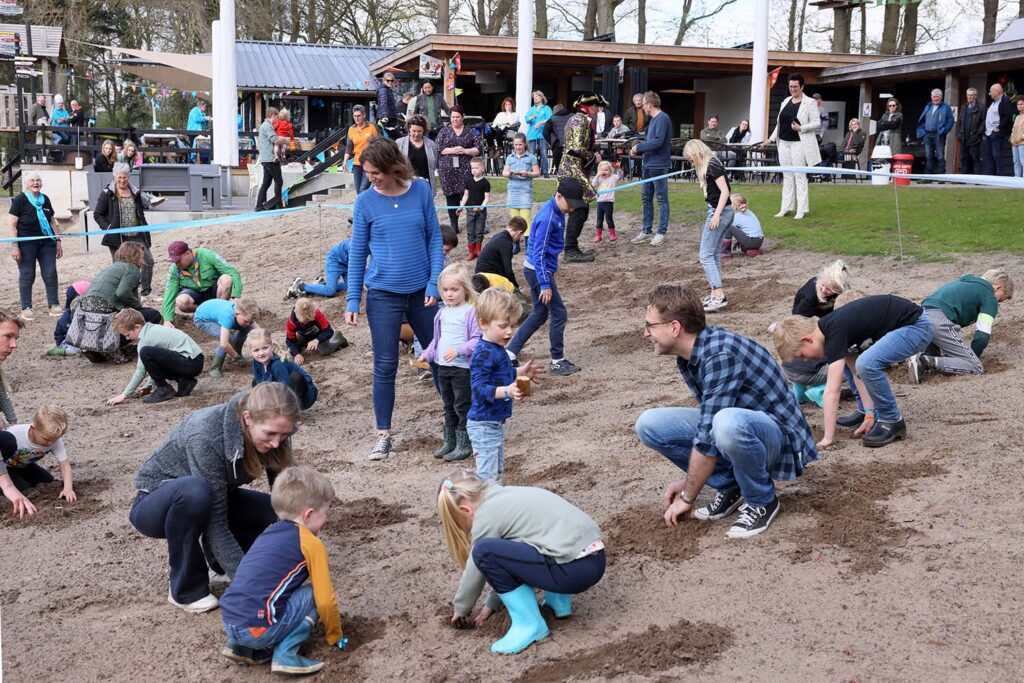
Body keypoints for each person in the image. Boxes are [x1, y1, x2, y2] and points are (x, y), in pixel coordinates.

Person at [636, 284, 818, 538]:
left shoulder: (719, 353)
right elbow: (706, 430)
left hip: (781, 442)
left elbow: (710, 433)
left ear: (675, 327)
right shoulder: (691, 356)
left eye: (650, 326)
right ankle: (731, 485)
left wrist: (689, 495)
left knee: (724, 422)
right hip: (745, 429)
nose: (646, 333)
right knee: (649, 424)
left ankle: (761, 501)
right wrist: (692, 480)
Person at [129, 384, 298, 612]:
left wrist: (298, 544)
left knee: (274, 516)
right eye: (270, 434)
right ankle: (185, 589)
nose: (276, 443)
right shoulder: (206, 435)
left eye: (284, 435)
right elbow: (215, 522)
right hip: (157, 505)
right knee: (194, 492)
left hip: (213, 498)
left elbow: (284, 494)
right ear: (248, 418)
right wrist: (249, 585)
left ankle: (219, 568)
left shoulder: (275, 428)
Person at [345, 137, 444, 461]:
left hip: (422, 294)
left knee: (442, 356)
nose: (369, 177)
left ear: (391, 166)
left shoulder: (421, 191)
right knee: (385, 365)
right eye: (367, 172)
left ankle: (456, 422)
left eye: (374, 171)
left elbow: (434, 241)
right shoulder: (365, 203)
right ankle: (383, 434)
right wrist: (352, 300)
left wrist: (433, 284)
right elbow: (358, 253)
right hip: (383, 295)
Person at [438, 470, 605, 654]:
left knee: (482, 551)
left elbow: (475, 569)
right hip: (594, 557)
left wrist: (461, 608)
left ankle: (529, 624)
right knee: (532, 540)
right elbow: (513, 560)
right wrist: (492, 603)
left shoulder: (486, 515)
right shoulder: (508, 495)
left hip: (573, 572)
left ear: (465, 511)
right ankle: (558, 600)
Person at [220, 466, 344, 674]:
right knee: (313, 594)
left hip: (231, 622)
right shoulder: (311, 544)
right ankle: (286, 654)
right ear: (309, 514)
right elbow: (325, 599)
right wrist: (335, 636)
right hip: (259, 630)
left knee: (266, 590)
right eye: (325, 512)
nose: (327, 519)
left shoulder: (269, 532)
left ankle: (239, 647)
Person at [773, 294, 935, 448]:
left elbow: (832, 391)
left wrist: (828, 438)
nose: (806, 360)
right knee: (862, 366)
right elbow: (857, 374)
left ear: (807, 340)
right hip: (912, 325)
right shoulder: (832, 329)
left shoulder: (834, 332)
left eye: (802, 355)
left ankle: (892, 420)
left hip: (917, 327)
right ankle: (875, 415)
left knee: (867, 363)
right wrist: (869, 414)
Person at [505, 178, 587, 377]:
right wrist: (544, 284)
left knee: (540, 314)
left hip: (536, 270)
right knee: (559, 314)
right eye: (570, 204)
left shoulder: (557, 211)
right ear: (559, 196)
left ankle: (509, 352)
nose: (572, 209)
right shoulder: (548, 217)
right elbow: (539, 253)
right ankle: (557, 361)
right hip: (538, 271)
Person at [467, 289, 543, 481]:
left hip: (494, 423)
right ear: (483, 323)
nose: (509, 332)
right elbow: (479, 388)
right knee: (488, 477)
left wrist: (520, 372)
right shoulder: (483, 352)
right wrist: (507, 391)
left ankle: (494, 506)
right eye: (503, 326)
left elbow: (500, 375)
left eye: (512, 326)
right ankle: (484, 509)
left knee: (496, 473)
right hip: (483, 424)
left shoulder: (497, 348)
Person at [418, 264, 482, 461]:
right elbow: (437, 340)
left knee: (462, 404)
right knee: (448, 404)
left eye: (454, 289)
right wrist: (427, 354)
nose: (449, 294)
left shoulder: (470, 312)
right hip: (444, 367)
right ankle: (450, 440)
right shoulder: (442, 312)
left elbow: (477, 339)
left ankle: (465, 442)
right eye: (445, 290)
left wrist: (459, 350)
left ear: (465, 289)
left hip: (462, 368)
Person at [907, 269, 1013, 383]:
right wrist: (973, 356)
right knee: (975, 366)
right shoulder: (989, 296)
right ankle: (923, 361)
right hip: (939, 321)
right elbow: (982, 336)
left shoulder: (964, 281)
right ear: (999, 287)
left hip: (920, 316)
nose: (998, 302)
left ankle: (921, 358)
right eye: (1001, 299)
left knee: (937, 355)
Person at [107, 309, 204, 405]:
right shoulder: (152, 329)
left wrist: (124, 395)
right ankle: (184, 381)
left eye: (128, 335)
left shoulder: (145, 339)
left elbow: (141, 371)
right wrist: (149, 385)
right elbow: (156, 363)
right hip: (195, 360)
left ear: (137, 327)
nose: (127, 338)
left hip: (190, 362)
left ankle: (163, 389)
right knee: (149, 354)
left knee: (145, 352)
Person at [683, 139, 734, 313]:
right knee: (712, 254)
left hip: (720, 211)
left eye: (690, 159)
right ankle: (715, 293)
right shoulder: (709, 164)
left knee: (705, 255)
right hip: (719, 210)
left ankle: (718, 294)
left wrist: (716, 215)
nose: (690, 162)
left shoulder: (712, 164)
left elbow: (725, 191)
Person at [762, 73, 821, 219]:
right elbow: (779, 124)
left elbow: (817, 122)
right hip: (784, 143)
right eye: (790, 86)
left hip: (800, 144)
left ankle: (801, 209)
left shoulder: (810, 102)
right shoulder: (785, 101)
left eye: (795, 86)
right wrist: (770, 139)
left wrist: (801, 128)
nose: (793, 89)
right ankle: (786, 207)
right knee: (787, 175)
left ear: (801, 86)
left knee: (799, 175)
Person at [94, 162, 156, 295]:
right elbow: (97, 214)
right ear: (114, 176)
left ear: (129, 177)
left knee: (148, 261)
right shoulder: (107, 193)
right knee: (121, 267)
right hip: (117, 238)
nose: (122, 180)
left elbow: (145, 206)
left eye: (125, 177)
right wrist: (108, 228)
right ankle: (121, 292)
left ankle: (145, 289)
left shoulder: (135, 192)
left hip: (137, 235)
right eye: (119, 177)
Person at [558, 93, 607, 263]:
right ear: (590, 106)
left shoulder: (580, 119)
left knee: (582, 210)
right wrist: (594, 156)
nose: (597, 110)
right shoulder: (579, 120)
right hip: (572, 171)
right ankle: (570, 250)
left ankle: (572, 246)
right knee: (579, 209)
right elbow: (576, 148)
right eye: (596, 106)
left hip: (576, 170)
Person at [8, 170, 63, 320]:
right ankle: (26, 307)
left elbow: (52, 221)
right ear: (26, 184)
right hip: (26, 244)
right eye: (32, 180)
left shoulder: (45, 199)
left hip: (47, 243)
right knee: (27, 275)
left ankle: (54, 304)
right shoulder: (19, 200)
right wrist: (14, 246)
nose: (35, 183)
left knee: (50, 273)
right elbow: (12, 225)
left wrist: (58, 240)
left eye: (38, 180)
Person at [1, 405, 75, 501]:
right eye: (46, 439)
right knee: (25, 490)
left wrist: (68, 489)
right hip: (5, 467)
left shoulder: (54, 440)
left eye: (55, 439)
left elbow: (65, 465)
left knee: (49, 482)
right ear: (33, 428)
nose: (50, 443)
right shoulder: (15, 434)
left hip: (24, 465)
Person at [80, 241, 162, 326]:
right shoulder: (132, 268)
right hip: (105, 308)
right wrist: (137, 304)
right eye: (141, 255)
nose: (143, 258)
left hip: (84, 306)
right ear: (136, 255)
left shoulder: (113, 266)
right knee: (154, 315)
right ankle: (130, 337)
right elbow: (122, 292)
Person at [161, 240, 243, 324]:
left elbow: (232, 272)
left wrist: (235, 296)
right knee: (181, 301)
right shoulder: (174, 269)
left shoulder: (207, 255)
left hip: (214, 292)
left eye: (178, 260)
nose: (176, 264)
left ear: (187, 254)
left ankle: (219, 312)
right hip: (195, 296)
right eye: (174, 261)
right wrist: (167, 320)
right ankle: (205, 313)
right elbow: (169, 294)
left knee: (227, 279)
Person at [629, 91, 673, 246]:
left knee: (661, 199)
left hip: (659, 165)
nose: (642, 107)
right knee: (646, 198)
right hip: (648, 164)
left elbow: (658, 142)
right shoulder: (653, 120)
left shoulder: (663, 118)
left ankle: (661, 232)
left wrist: (638, 147)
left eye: (643, 104)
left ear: (649, 104)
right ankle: (647, 231)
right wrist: (640, 150)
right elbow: (651, 142)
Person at [437, 106, 482, 234]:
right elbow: (438, 148)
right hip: (448, 170)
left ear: (462, 117)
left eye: (457, 117)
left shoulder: (470, 132)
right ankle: (454, 225)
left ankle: (472, 222)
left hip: (465, 169)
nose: (455, 119)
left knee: (468, 196)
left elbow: (478, 148)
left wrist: (465, 150)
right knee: (451, 197)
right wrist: (452, 150)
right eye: (453, 117)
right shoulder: (444, 131)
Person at [250, 329, 318, 411]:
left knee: (296, 377)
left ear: (271, 346)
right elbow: (260, 386)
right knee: (256, 383)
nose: (261, 353)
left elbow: (285, 389)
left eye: (265, 348)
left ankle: (290, 412)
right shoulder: (256, 362)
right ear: (251, 352)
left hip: (304, 395)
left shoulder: (278, 364)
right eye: (256, 350)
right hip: (280, 388)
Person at [195, 297, 259, 377]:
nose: (248, 323)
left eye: (250, 321)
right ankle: (215, 367)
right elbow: (224, 343)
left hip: (217, 315)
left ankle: (236, 351)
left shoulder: (245, 314)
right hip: (203, 320)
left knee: (247, 328)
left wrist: (269, 344)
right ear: (236, 314)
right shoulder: (227, 316)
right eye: (246, 321)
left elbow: (259, 331)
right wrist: (237, 358)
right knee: (228, 338)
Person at [285, 297, 347, 365]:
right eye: (303, 321)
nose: (305, 323)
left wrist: (317, 340)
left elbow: (329, 331)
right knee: (290, 350)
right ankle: (304, 348)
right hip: (304, 336)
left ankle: (338, 337)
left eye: (308, 320)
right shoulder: (291, 321)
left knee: (325, 351)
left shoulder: (317, 313)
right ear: (295, 312)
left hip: (320, 335)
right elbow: (289, 340)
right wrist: (296, 354)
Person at [502, 132, 539, 229]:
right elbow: (504, 173)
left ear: (525, 144)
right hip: (513, 191)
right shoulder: (510, 158)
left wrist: (527, 174)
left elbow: (537, 173)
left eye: (520, 144)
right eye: (516, 145)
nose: (518, 147)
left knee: (525, 218)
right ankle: (516, 243)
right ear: (513, 145)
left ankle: (528, 242)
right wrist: (510, 173)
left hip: (525, 191)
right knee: (514, 220)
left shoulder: (532, 158)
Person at [477, 217, 525, 291]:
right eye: (521, 236)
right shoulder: (506, 243)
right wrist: (515, 286)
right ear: (519, 232)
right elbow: (508, 270)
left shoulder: (500, 236)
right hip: (487, 277)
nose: (519, 238)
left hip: (480, 272)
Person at [915, 88, 954, 177]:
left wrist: (944, 130)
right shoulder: (928, 106)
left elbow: (950, 120)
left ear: (941, 97)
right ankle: (927, 176)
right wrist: (923, 131)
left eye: (937, 97)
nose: (935, 99)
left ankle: (941, 177)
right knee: (928, 156)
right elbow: (923, 119)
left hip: (939, 134)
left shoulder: (946, 107)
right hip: (928, 134)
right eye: (934, 97)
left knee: (940, 156)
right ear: (931, 97)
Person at [342, 105, 379, 194]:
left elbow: (378, 144)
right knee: (358, 191)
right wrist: (345, 161)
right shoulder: (351, 129)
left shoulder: (371, 127)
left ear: (364, 115)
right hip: (357, 163)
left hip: (369, 163)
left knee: (363, 189)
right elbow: (349, 147)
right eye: (354, 116)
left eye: (358, 116)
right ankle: (363, 207)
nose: (356, 118)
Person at [46, 280, 89, 357]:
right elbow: (60, 333)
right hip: (69, 342)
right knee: (75, 350)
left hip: (82, 341)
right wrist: (61, 343)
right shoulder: (67, 317)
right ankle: (59, 351)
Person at [396, 115, 438, 193]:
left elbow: (434, 164)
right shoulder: (399, 143)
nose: (416, 134)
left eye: (419, 131)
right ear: (409, 129)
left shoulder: (431, 144)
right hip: (406, 185)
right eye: (414, 131)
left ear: (424, 131)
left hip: (426, 185)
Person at [460, 157, 490, 259]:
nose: (474, 170)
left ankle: (478, 250)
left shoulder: (485, 183)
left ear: (482, 168)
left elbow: (486, 198)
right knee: (470, 231)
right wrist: (461, 206)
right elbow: (465, 195)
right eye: (472, 168)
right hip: (470, 210)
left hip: (481, 212)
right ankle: (471, 252)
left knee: (479, 231)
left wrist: (481, 207)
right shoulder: (468, 181)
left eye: (476, 168)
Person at [256, 107, 283, 211]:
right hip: (270, 158)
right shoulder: (267, 126)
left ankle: (259, 205)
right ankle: (278, 204)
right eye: (277, 117)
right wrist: (285, 141)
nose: (278, 119)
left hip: (264, 158)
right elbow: (275, 140)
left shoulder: (264, 126)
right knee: (278, 181)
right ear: (273, 116)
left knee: (266, 183)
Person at [985, 83, 1014, 176]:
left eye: (991, 91)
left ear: (996, 92)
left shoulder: (1005, 101)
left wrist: (998, 128)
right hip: (988, 133)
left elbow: (1008, 116)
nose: (989, 93)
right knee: (989, 155)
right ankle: (990, 176)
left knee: (997, 155)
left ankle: (999, 176)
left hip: (997, 133)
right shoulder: (994, 102)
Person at [956, 88, 984, 174]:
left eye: (971, 95)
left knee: (976, 158)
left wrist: (978, 134)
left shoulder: (981, 108)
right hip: (964, 137)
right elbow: (959, 122)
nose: (969, 97)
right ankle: (963, 178)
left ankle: (977, 178)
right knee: (963, 158)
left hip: (975, 138)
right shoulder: (964, 107)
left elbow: (983, 123)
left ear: (975, 96)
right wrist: (959, 133)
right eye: (968, 95)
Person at [524, 91, 552, 177]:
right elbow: (526, 120)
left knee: (543, 153)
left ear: (541, 97)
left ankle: (545, 172)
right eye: (534, 97)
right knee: (531, 153)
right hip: (532, 134)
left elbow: (550, 119)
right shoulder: (532, 109)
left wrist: (540, 123)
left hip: (543, 134)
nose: (535, 98)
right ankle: (533, 171)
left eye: (536, 96)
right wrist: (532, 117)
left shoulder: (546, 108)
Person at [591, 160, 620, 243]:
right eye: (602, 170)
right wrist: (597, 175)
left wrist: (619, 169)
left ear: (610, 170)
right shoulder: (599, 178)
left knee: (609, 219)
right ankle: (598, 236)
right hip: (600, 202)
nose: (604, 172)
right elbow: (593, 185)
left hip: (608, 202)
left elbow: (620, 176)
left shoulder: (613, 177)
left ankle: (612, 234)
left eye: (606, 170)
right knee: (599, 220)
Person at [1012, 95, 1024, 178]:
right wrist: (1012, 138)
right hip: (1015, 143)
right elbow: (1013, 129)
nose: (1019, 106)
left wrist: (1022, 137)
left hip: (1022, 142)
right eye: (1018, 104)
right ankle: (1017, 180)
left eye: (1021, 104)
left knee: (1023, 161)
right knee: (1016, 162)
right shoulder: (1017, 117)